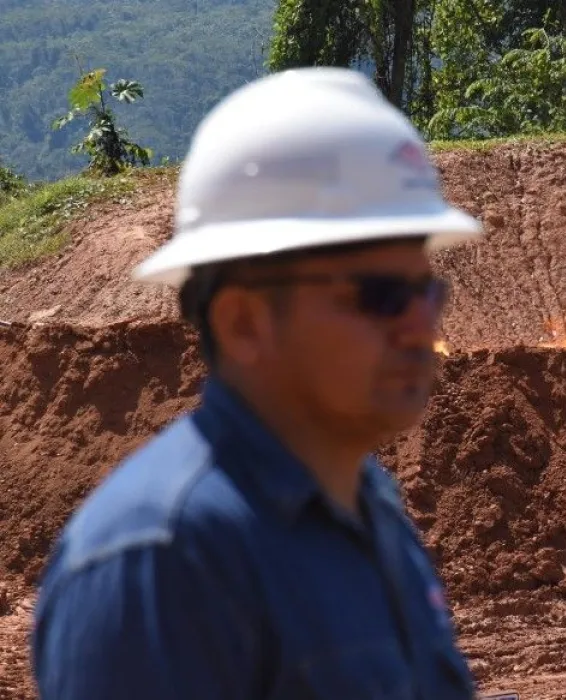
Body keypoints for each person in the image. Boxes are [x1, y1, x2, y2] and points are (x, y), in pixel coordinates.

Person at [31, 67, 484, 699]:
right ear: (243, 321)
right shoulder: (162, 561)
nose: (421, 326)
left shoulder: (370, 506)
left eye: (425, 290)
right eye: (379, 295)